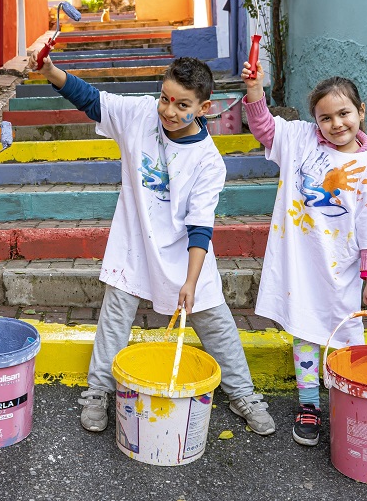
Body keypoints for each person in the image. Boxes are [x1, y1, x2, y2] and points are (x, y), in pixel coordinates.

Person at [29, 52, 276, 436]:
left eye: (182, 105)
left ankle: (243, 393)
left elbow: (200, 228)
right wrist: (50, 72)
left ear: (203, 107)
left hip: (185, 253)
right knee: (114, 317)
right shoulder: (142, 114)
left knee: (215, 320)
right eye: (165, 98)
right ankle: (98, 392)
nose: (169, 110)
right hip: (134, 243)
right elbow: (91, 99)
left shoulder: (209, 162)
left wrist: (191, 282)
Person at [241, 64, 367, 447]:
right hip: (300, 266)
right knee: (305, 338)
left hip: (341, 271)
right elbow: (264, 129)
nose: (335, 123)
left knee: (347, 337)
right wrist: (255, 90)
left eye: (343, 113)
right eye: (325, 117)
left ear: (361, 111)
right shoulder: (301, 140)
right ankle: (309, 405)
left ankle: (352, 403)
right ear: (315, 120)